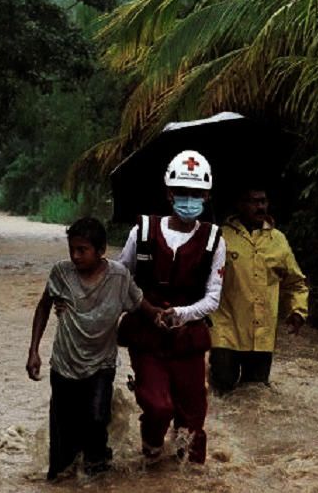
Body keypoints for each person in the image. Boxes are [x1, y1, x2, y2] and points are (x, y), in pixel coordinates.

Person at [116, 150, 226, 464]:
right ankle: (150, 455)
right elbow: (120, 277)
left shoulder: (214, 240)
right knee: (158, 406)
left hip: (187, 339)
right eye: (183, 193)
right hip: (146, 335)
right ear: (169, 193)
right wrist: (147, 310)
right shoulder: (143, 231)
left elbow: (213, 298)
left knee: (192, 418)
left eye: (196, 194)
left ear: (206, 196)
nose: (189, 200)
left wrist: (181, 315)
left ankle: (189, 477)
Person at [26, 217, 157, 480]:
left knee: (96, 419)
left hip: (101, 365)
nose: (75, 256)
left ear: (100, 250)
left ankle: (97, 473)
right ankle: (63, 476)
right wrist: (33, 351)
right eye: (72, 249)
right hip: (64, 363)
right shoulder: (61, 273)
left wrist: (167, 317)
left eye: (82, 250)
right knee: (62, 434)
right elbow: (43, 306)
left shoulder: (119, 276)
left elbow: (143, 307)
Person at [209, 187, 308, 393]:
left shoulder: (278, 240)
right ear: (240, 205)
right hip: (225, 331)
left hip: (262, 333)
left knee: (255, 395)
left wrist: (297, 310)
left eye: (263, 201)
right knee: (221, 389)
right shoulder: (220, 237)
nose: (260, 207)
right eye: (253, 201)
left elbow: (295, 282)